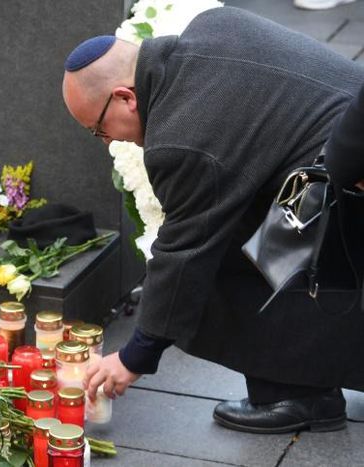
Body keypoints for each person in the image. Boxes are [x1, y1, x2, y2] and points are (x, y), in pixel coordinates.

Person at [62, 6, 364, 434]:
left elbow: (184, 251)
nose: (109, 140)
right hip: (342, 152)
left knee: (221, 260)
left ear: (126, 98)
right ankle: (307, 384)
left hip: (352, 188)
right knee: (236, 228)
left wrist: (134, 356)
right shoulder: (213, 27)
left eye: (100, 129)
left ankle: (299, 395)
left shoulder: (181, 137)